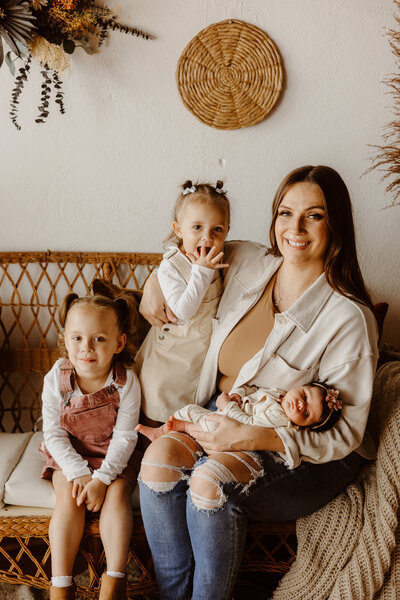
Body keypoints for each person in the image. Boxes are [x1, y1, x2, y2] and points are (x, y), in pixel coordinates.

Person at [137, 165, 379, 600]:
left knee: (208, 483)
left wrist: (249, 436)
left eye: (315, 215)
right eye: (285, 213)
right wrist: (153, 284)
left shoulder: (349, 317)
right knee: (157, 461)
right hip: (223, 412)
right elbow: (189, 245)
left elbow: (346, 434)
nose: (296, 228)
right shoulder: (248, 260)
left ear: (336, 223)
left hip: (292, 447)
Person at [39, 293, 141, 600]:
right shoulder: (57, 378)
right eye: (78, 338)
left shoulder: (125, 382)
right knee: (68, 499)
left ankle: (114, 581)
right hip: (68, 455)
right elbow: (54, 434)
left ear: (119, 344)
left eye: (98, 338)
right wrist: (81, 474)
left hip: (113, 456)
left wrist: (102, 479)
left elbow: (125, 438)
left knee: (118, 493)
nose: (86, 347)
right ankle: (61, 584)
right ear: (65, 340)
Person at [135, 179, 230, 422]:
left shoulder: (218, 260)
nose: (206, 238)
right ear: (178, 229)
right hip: (169, 359)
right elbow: (184, 310)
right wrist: (202, 271)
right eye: (196, 227)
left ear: (227, 231)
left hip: (196, 357)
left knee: (185, 414)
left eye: (217, 230)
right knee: (158, 408)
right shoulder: (171, 266)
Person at [136, 382, 343, 453]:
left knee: (206, 425)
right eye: (305, 396)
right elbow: (253, 389)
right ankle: (164, 430)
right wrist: (238, 395)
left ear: (305, 427)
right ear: (301, 387)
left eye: (306, 413)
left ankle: (185, 428)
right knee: (190, 408)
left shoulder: (279, 418)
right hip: (223, 414)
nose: (299, 404)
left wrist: (228, 405)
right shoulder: (278, 393)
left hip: (229, 431)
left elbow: (246, 423)